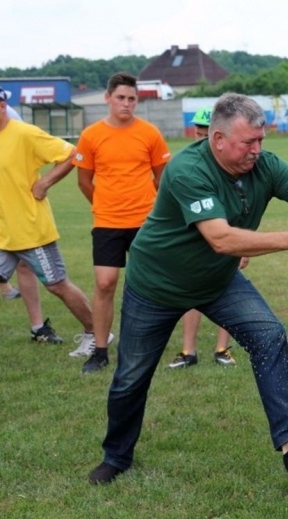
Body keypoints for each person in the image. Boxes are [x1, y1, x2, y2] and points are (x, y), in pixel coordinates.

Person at [87, 92, 288, 485]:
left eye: (260, 140)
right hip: (157, 286)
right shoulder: (187, 169)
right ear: (217, 139)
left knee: (269, 335)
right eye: (247, 142)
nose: (257, 150)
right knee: (132, 376)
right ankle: (116, 456)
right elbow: (219, 239)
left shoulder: (265, 164)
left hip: (217, 281)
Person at [73, 72, 171, 372]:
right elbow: (84, 181)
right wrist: (105, 204)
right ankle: (100, 351)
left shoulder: (150, 133)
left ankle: (146, 344)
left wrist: (155, 213)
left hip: (146, 222)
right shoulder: (91, 135)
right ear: (108, 98)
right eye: (120, 98)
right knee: (105, 283)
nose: (126, 104)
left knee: (148, 284)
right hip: (107, 222)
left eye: (132, 99)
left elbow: (162, 179)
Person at [0, 85, 95, 347]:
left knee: (57, 285)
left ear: (2, 106)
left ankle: (95, 332)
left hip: (31, 231)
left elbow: (72, 154)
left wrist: (45, 183)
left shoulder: (24, 133)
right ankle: (39, 327)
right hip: (4, 233)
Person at [170, 107, 243, 368]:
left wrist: (243, 247)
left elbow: (242, 211)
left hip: (227, 240)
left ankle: (222, 349)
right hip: (194, 243)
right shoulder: (189, 166)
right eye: (198, 134)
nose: (201, 139)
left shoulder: (231, 167)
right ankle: (188, 351)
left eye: (205, 134)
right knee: (191, 294)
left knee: (225, 291)